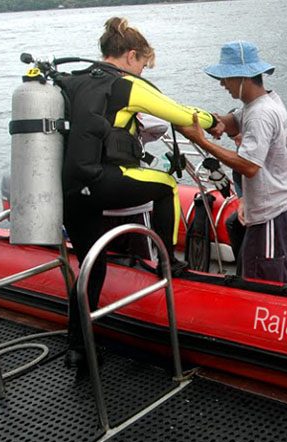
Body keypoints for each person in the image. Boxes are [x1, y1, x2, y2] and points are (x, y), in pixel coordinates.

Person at [60, 17, 219, 369]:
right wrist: (214, 121)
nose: (143, 71)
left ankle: (78, 347)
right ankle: (167, 262)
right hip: (104, 179)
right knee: (167, 186)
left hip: (71, 188)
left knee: (91, 266)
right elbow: (179, 113)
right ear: (131, 55)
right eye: (144, 64)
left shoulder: (74, 81)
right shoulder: (126, 85)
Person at [176, 41, 287, 284]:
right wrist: (215, 122)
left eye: (226, 78)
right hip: (285, 205)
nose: (222, 84)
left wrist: (202, 141)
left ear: (242, 77)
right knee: (272, 275)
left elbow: (248, 166)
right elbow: (233, 121)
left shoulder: (260, 113)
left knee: (266, 287)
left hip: (272, 216)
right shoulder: (264, 101)